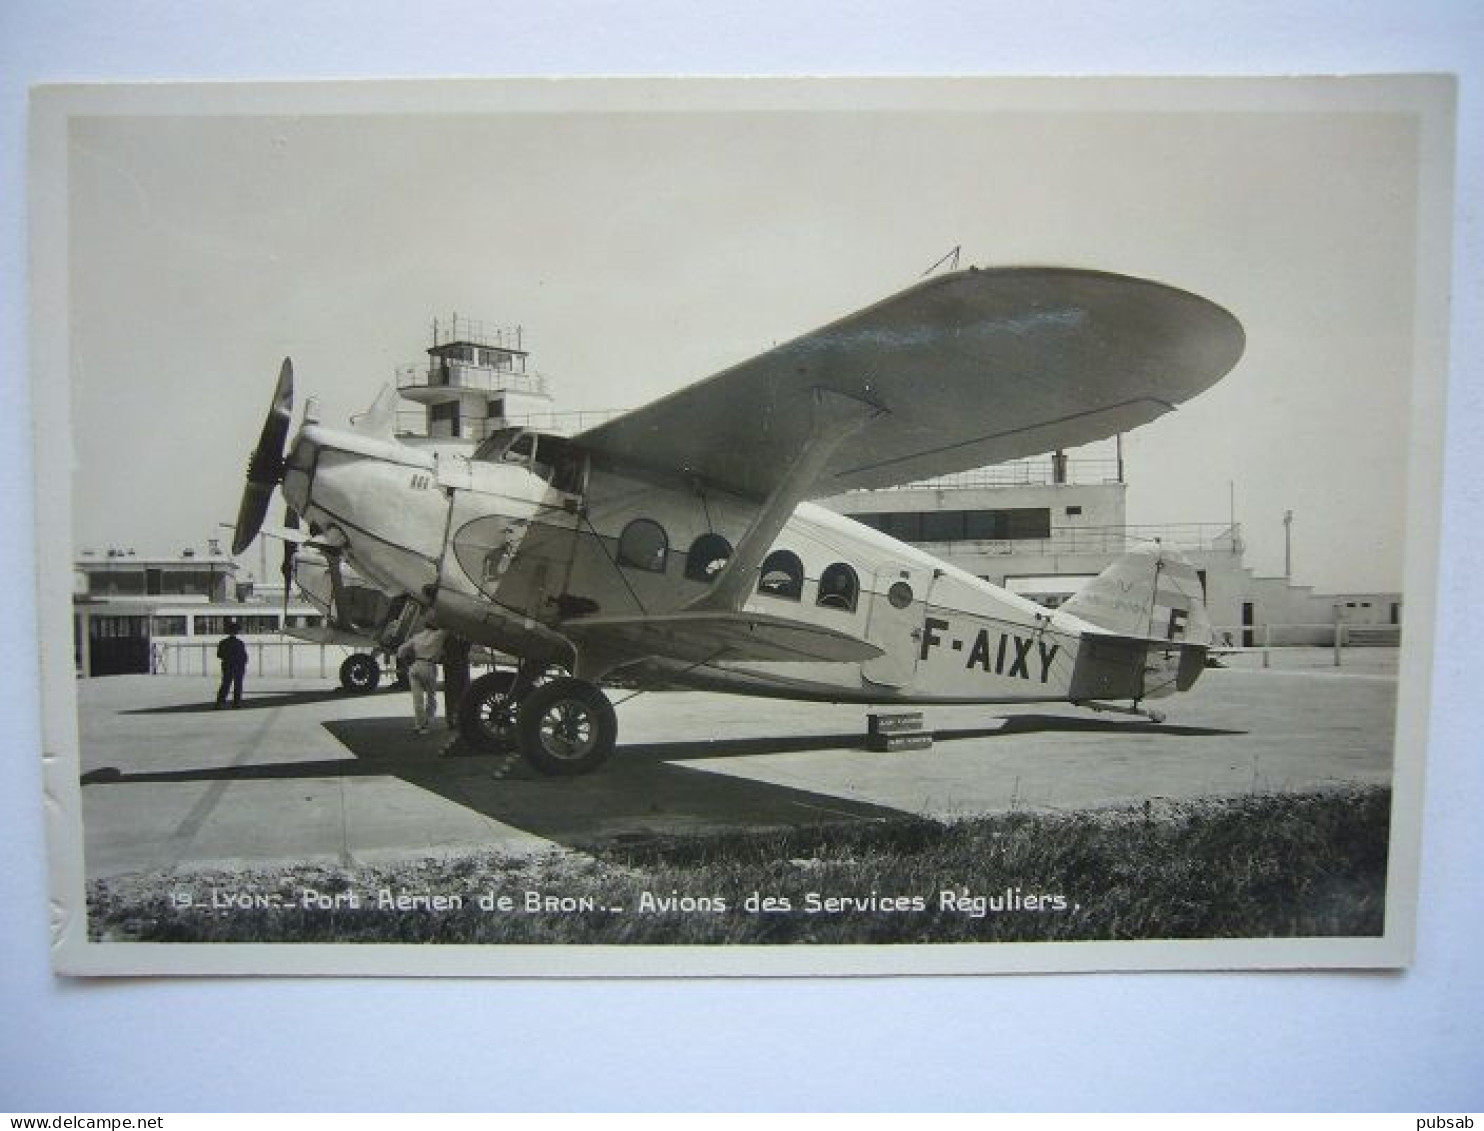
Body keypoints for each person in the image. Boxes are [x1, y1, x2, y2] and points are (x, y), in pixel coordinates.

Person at [398, 618, 448, 735]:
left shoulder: (417, 637)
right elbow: (447, 629)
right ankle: (427, 722)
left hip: (415, 666)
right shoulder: (438, 635)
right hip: (429, 666)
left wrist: (407, 663)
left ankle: (418, 725)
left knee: (417, 699)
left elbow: (401, 651)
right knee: (431, 697)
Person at [215, 620, 248, 709]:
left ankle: (220, 703)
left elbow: (219, 654)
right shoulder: (239, 643)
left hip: (227, 665)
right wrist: (242, 664)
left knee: (225, 684)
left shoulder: (223, 642)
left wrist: (227, 658)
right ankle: (237, 703)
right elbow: (244, 656)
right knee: (238, 685)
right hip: (238, 667)